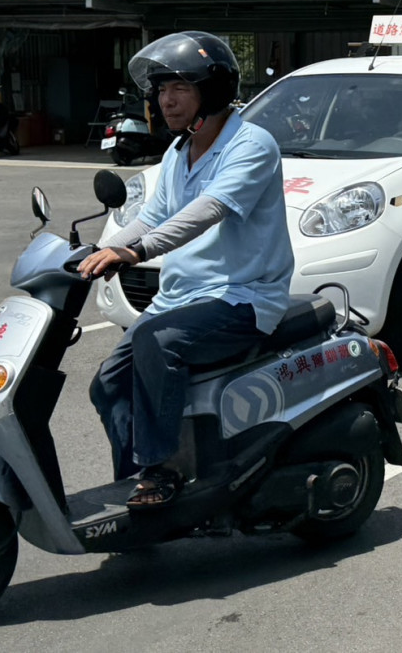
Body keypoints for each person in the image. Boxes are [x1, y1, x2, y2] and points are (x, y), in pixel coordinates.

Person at [80, 31, 294, 507]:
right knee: (108, 384)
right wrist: (94, 252)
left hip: (242, 297)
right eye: (160, 89)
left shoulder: (251, 145)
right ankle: (134, 479)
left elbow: (209, 210)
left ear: (212, 92)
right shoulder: (181, 151)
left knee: (160, 344)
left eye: (180, 88)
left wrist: (136, 252)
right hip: (183, 298)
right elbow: (151, 216)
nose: (166, 99)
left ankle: (163, 472)